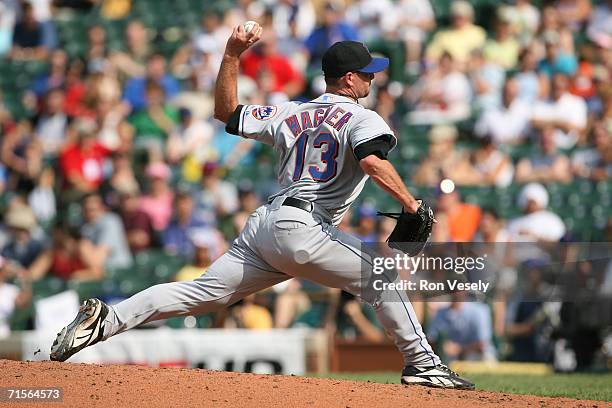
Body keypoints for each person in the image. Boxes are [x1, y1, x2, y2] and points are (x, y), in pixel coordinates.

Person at [50, 26, 474, 390]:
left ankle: (107, 319)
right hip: (306, 227)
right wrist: (411, 203)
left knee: (202, 293)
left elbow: (226, 112)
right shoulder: (366, 118)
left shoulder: (290, 113)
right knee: (381, 279)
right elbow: (371, 160)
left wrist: (232, 54)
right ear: (348, 79)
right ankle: (424, 365)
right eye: (366, 73)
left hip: (267, 226)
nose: (371, 79)